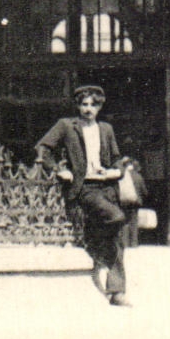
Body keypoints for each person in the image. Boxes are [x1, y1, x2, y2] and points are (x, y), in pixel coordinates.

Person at [36, 84, 131, 306]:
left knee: (117, 236)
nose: (88, 109)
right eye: (84, 104)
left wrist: (115, 171)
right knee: (117, 217)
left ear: (99, 107)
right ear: (78, 106)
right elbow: (42, 149)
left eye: (93, 105)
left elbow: (116, 158)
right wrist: (59, 170)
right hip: (84, 188)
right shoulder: (67, 126)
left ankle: (117, 292)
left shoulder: (106, 129)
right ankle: (95, 248)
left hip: (107, 188)